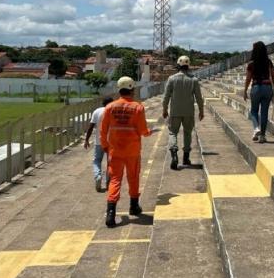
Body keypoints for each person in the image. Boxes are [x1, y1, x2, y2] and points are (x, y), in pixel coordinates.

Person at [100, 76, 153, 228]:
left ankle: (111, 212)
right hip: (132, 150)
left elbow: (103, 130)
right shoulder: (137, 107)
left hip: (115, 150)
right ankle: (134, 206)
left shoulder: (110, 107)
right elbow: (143, 130)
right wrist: (149, 132)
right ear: (131, 89)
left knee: (115, 179)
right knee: (133, 178)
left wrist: (105, 146)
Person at [163, 55, 204, 170]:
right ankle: (186, 157)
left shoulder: (172, 79)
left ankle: (174, 153)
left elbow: (166, 96)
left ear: (178, 65)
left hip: (175, 111)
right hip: (189, 112)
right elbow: (199, 97)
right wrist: (201, 111)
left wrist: (165, 109)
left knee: (173, 133)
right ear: (188, 66)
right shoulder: (193, 80)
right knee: (187, 133)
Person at [243, 41, 274, 143]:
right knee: (264, 112)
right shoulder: (268, 62)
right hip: (267, 88)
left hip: (256, 87)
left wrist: (245, 90)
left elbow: (248, 78)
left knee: (254, 111)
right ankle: (262, 135)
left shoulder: (251, 64)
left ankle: (256, 129)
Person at [84, 96, 114, 192]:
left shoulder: (97, 111)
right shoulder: (114, 111)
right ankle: (108, 181)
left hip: (99, 141)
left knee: (97, 161)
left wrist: (86, 139)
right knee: (110, 162)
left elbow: (91, 127)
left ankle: (98, 176)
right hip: (111, 142)